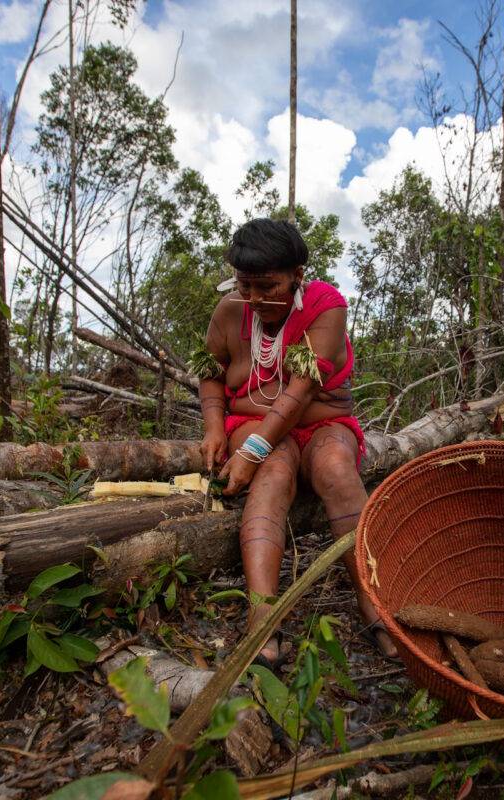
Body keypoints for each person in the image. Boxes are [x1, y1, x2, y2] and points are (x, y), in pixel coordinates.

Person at [191, 218, 397, 668]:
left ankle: (375, 603)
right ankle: (262, 616)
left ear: (297, 275)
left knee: (336, 468)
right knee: (274, 471)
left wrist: (250, 453)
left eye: (268, 286)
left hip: (323, 424)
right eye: (245, 285)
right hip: (251, 420)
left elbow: (302, 390)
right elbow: (210, 371)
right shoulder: (229, 309)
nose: (254, 298)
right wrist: (214, 427)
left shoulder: (326, 306)